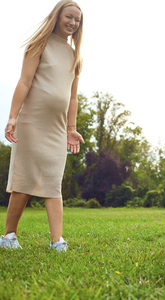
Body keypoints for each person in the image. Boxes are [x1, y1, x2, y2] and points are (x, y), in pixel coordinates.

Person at [1, 0, 85, 252]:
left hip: (57, 127)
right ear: (57, 16)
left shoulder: (74, 56)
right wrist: (13, 116)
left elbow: (72, 97)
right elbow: (24, 83)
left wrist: (71, 128)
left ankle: (56, 240)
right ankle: (8, 236)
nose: (72, 23)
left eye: (77, 20)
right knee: (23, 181)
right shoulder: (39, 44)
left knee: (52, 181)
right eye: (68, 16)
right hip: (31, 121)